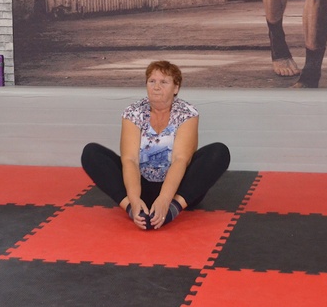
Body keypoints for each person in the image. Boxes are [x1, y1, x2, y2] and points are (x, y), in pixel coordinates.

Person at [81, 60, 231, 230]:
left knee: (219, 152)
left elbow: (180, 159)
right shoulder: (133, 112)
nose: (156, 87)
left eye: (164, 82)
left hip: (178, 189)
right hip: (141, 186)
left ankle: (173, 209)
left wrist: (165, 200)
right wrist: (134, 199)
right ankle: (132, 209)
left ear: (176, 88)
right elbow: (130, 160)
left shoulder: (187, 113)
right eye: (152, 81)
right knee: (91, 153)